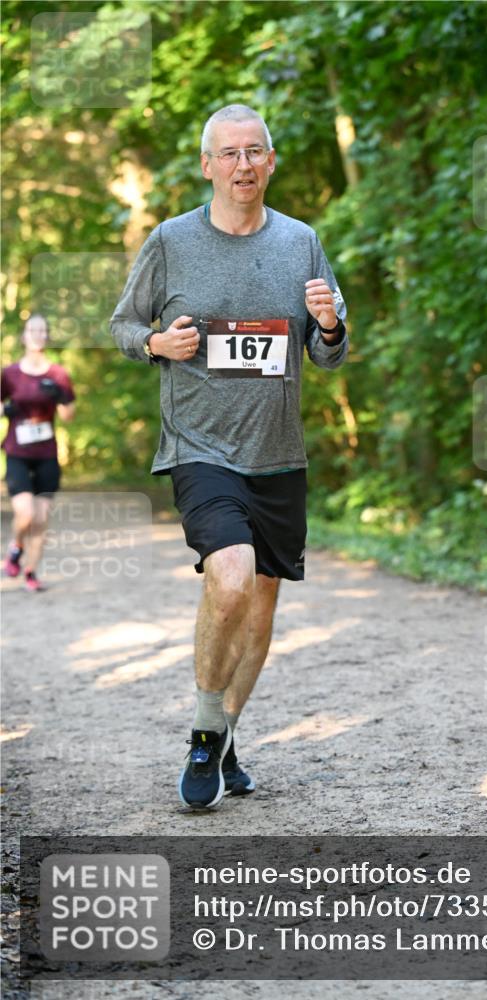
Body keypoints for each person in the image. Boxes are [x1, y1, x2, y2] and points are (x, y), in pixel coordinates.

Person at [110, 104, 349, 810]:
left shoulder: (301, 242)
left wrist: (331, 322)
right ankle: (204, 735)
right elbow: (124, 324)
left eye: (255, 152)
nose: (242, 165)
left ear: (270, 161)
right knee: (233, 579)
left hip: (277, 454)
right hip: (200, 446)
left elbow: (328, 355)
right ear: (208, 165)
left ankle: (227, 732)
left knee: (261, 603)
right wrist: (156, 344)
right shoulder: (171, 240)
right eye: (229, 154)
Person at [1, 313, 76, 591]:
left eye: (42, 330)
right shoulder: (9, 374)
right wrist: (5, 410)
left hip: (46, 454)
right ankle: (16, 547)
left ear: (47, 336)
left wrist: (59, 396)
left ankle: (30, 572)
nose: (37, 334)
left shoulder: (58, 374)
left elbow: (69, 415)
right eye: (32, 330)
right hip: (17, 452)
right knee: (26, 514)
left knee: (41, 519)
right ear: (23, 336)